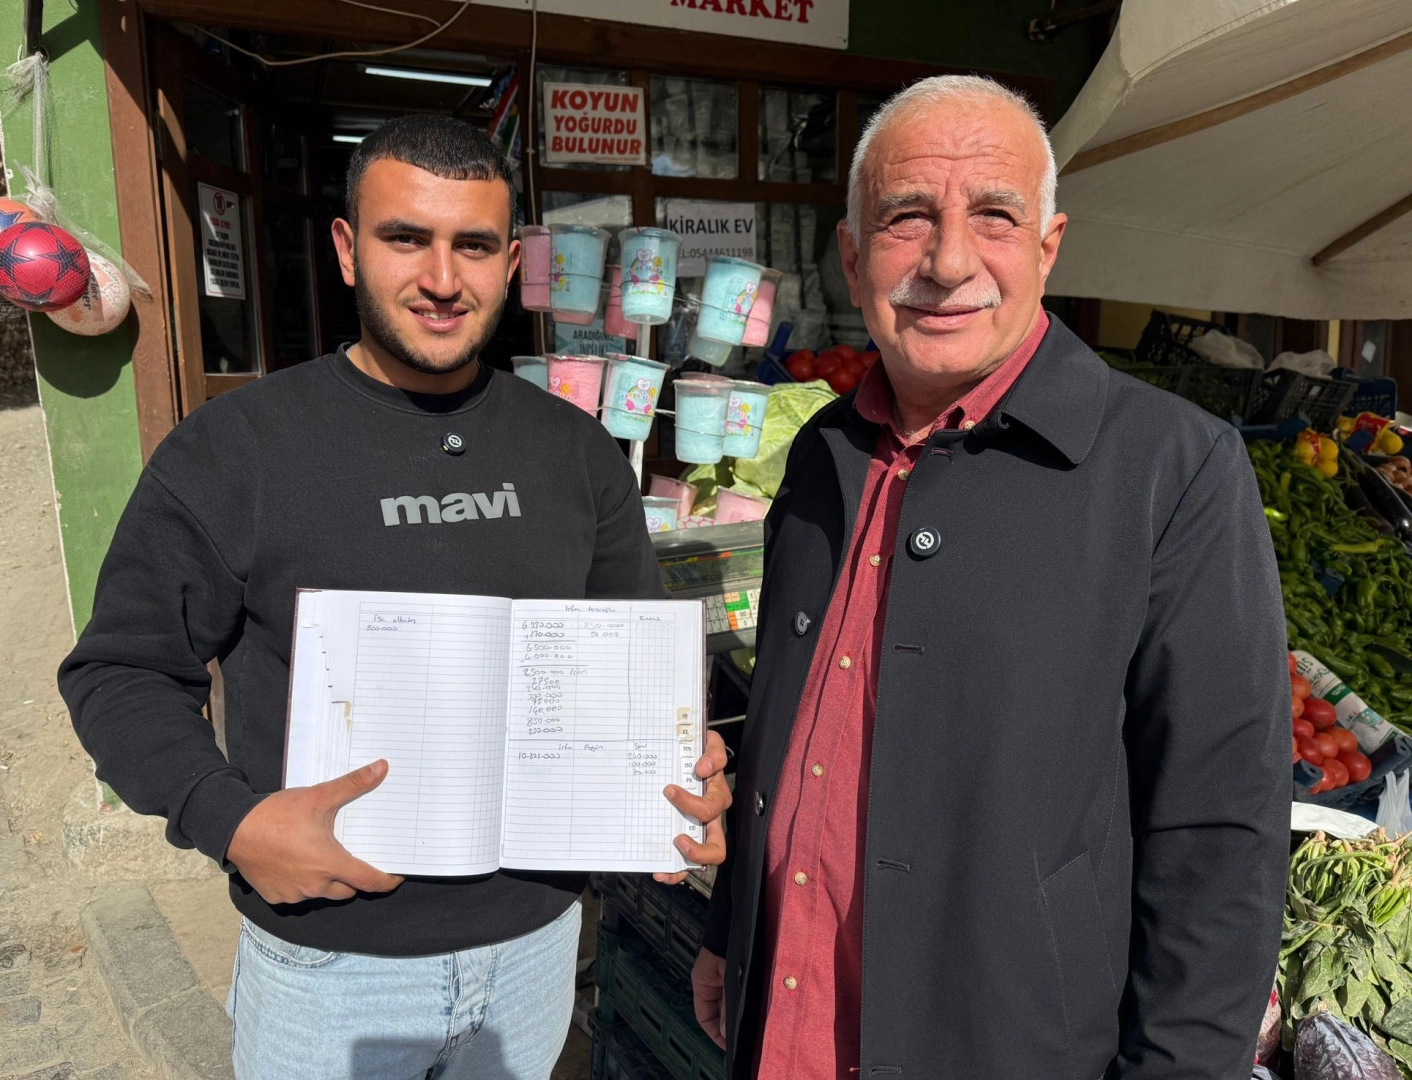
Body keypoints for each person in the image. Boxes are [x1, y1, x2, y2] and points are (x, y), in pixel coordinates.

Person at [59, 114, 729, 1080]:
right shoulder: (237, 449)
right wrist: (227, 819)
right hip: (330, 964)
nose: (443, 279)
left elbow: (629, 669)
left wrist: (676, 773)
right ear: (346, 249)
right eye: (406, 237)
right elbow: (122, 670)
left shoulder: (575, 452)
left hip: (537, 948)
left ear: (512, 263)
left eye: (475, 245)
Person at [692, 76, 1288, 1079]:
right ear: (852, 256)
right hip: (786, 1025)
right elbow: (795, 734)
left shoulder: (1170, 470)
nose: (948, 261)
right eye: (906, 218)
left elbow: (1218, 833)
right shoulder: (822, 455)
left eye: (994, 217)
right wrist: (730, 930)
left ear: (1049, 246)